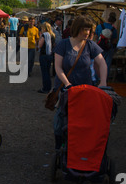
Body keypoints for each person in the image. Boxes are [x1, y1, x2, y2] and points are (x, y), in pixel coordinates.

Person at [52, 15, 108, 149]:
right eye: (85, 29)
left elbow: (102, 63)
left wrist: (103, 82)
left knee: (83, 119)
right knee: (61, 119)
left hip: (85, 89)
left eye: (89, 30)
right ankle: (60, 145)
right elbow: (58, 68)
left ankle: (79, 145)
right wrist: (67, 84)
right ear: (77, 29)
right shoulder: (63, 44)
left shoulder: (90, 45)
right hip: (65, 89)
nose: (87, 33)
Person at [95, 12, 118, 79]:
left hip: (99, 47)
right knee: (106, 64)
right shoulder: (114, 29)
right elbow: (114, 40)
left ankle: (97, 78)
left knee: (98, 63)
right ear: (114, 22)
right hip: (109, 48)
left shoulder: (99, 26)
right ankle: (104, 79)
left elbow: (96, 37)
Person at [37, 22, 55, 93]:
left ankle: (45, 88)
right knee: (48, 71)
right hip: (50, 55)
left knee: (45, 73)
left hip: (44, 55)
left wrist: (39, 39)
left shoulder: (44, 35)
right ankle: (48, 86)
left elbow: (40, 45)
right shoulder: (53, 35)